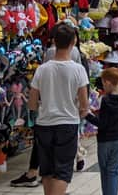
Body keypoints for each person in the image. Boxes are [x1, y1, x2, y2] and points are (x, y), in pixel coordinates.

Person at [28, 23, 89, 195]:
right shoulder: (78, 70)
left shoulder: (42, 69)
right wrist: (82, 112)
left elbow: (32, 103)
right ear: (73, 42)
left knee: (47, 170)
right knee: (63, 170)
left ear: (54, 41)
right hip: (68, 124)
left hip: (44, 125)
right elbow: (84, 104)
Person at [85, 68, 118, 195]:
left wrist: (87, 115)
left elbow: (103, 124)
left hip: (105, 141)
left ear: (107, 82)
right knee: (114, 171)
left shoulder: (105, 100)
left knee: (106, 172)